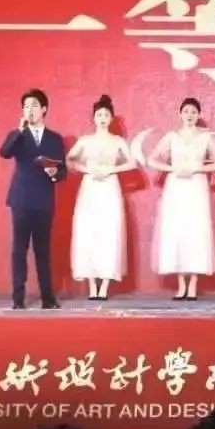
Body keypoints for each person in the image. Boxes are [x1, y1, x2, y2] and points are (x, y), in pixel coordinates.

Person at [0, 87, 68, 309]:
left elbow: (63, 171)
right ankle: (18, 299)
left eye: (34, 106)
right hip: (21, 198)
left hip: (43, 200)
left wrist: (55, 173)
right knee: (19, 250)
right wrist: (19, 130)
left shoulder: (55, 139)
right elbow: (4, 152)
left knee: (42, 250)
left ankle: (48, 298)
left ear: (44, 109)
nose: (29, 110)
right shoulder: (18, 135)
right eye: (26, 106)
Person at [148, 98, 215, 301]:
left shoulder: (206, 137)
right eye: (186, 111)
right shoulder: (171, 136)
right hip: (176, 187)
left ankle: (193, 283)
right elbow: (152, 159)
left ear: (199, 115)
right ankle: (181, 284)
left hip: (196, 186)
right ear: (180, 114)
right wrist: (172, 168)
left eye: (193, 112)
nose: (189, 115)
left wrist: (197, 168)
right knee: (177, 231)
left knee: (195, 232)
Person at [69, 95, 133, 300]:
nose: (103, 118)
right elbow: (69, 160)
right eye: (99, 115)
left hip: (110, 188)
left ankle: (104, 285)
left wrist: (111, 170)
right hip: (89, 189)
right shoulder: (85, 141)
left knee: (108, 233)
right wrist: (86, 169)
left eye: (106, 115)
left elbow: (132, 163)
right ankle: (91, 286)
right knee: (88, 232)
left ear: (111, 118)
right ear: (94, 118)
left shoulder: (118, 141)